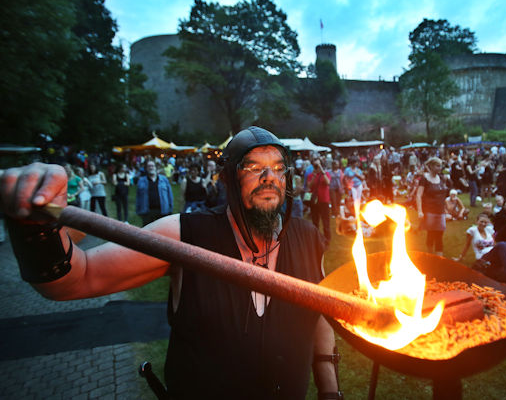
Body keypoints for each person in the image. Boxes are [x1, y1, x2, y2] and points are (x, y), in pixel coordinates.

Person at [0, 126, 340, 399]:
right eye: (253, 167)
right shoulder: (184, 235)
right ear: (228, 180)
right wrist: (34, 229)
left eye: (279, 168)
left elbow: (320, 313)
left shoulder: (308, 237)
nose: (269, 176)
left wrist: (330, 390)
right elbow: (76, 279)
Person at [457, 213, 506, 284]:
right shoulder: (472, 231)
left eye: (485, 222)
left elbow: (494, 244)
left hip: (493, 255)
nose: (483, 224)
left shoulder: (489, 230)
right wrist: (460, 257)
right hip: (483, 257)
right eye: (481, 221)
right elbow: (467, 245)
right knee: (502, 244)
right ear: (477, 221)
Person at [416, 157, 448, 256]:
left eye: (441, 165)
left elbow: (443, 195)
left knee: (439, 235)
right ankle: (431, 255)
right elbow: (418, 195)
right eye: (438, 165)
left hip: (440, 211)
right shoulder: (424, 179)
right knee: (431, 234)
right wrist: (420, 211)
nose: (440, 168)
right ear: (432, 166)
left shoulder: (442, 178)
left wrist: (446, 209)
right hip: (430, 211)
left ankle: (439, 258)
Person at [136, 160, 174, 226]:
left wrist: (170, 208)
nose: (151, 168)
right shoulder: (141, 181)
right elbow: (138, 197)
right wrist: (139, 210)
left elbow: (169, 195)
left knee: (162, 231)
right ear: (146, 168)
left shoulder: (164, 180)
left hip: (162, 210)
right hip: (147, 211)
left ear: (156, 168)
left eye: (152, 166)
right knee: (147, 232)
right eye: (149, 166)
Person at [307, 158, 331, 244]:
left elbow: (328, 182)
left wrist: (322, 170)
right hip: (315, 201)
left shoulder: (326, 173)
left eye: (318, 165)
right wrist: (314, 175)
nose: (317, 167)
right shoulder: (311, 175)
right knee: (315, 221)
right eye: (315, 165)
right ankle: (316, 238)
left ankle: (327, 239)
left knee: (326, 221)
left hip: (324, 200)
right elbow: (309, 185)